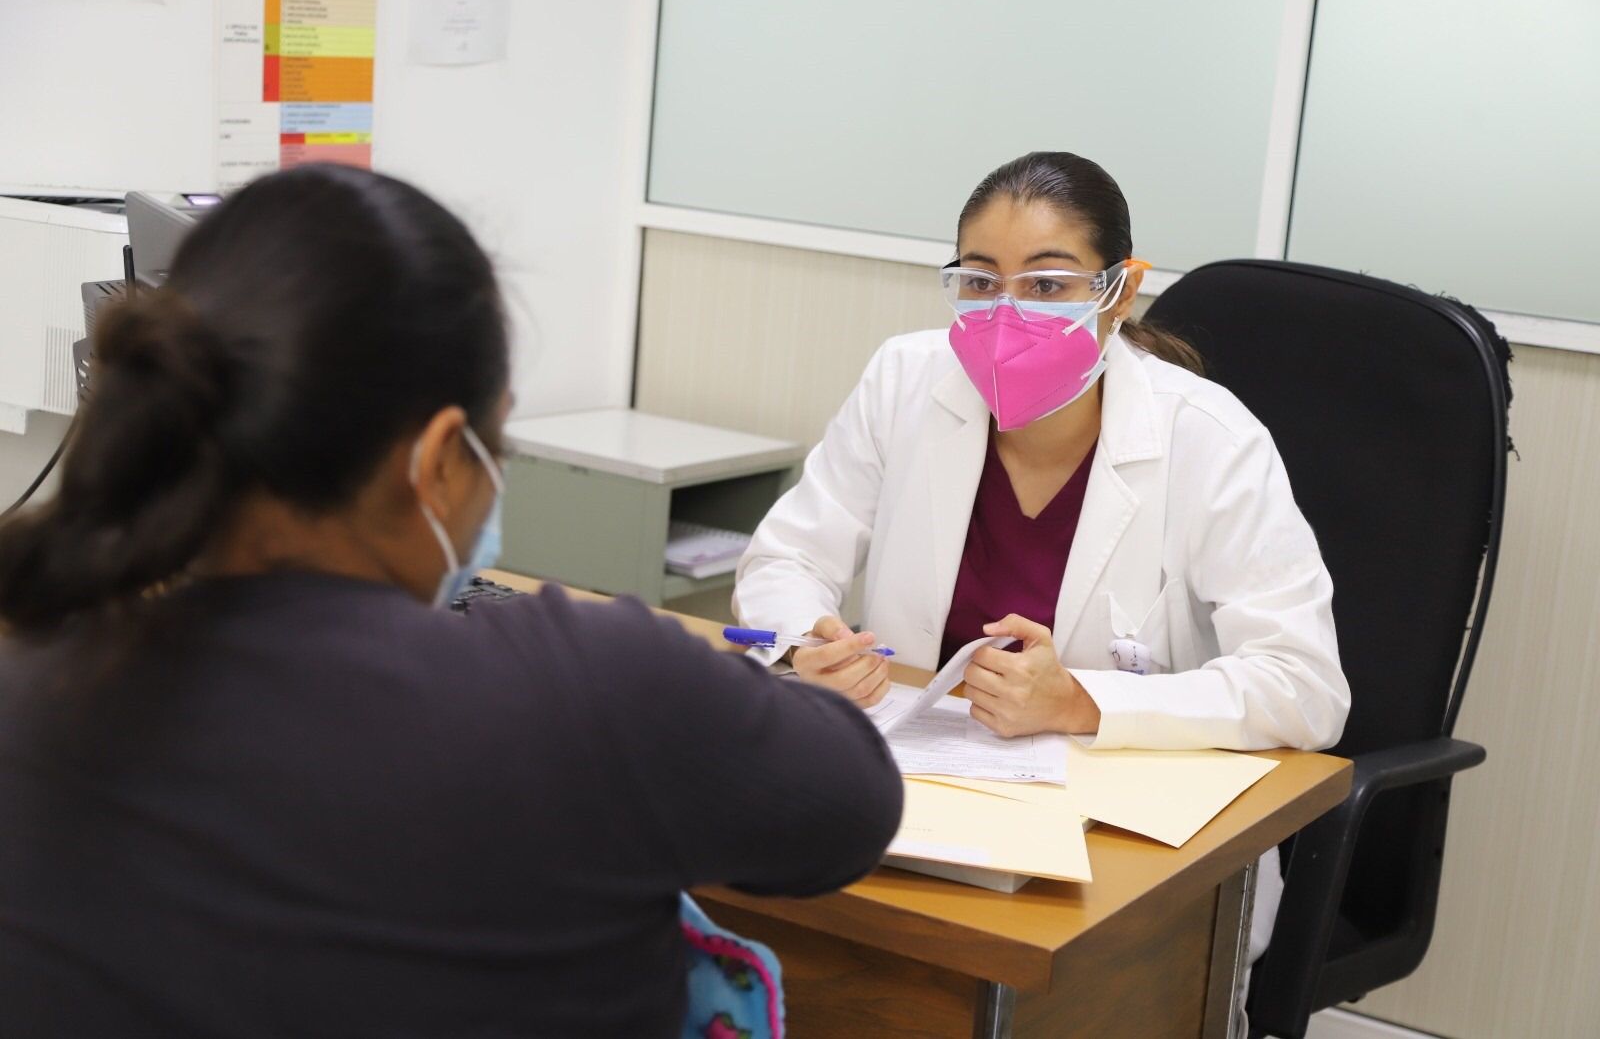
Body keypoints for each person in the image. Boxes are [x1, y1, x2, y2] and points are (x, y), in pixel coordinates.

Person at [0, 165, 902, 1037]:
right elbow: (849, 808)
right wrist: (789, 699)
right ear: (436, 460)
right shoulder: (593, 689)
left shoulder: (36, 666)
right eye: (494, 440)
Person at [733, 151, 1350, 961]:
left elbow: (1304, 689)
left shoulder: (1209, 438)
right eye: (982, 282)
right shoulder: (906, 382)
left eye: (1049, 284)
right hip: (915, 795)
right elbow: (783, 561)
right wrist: (805, 638)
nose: (1008, 310)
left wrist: (1080, 703)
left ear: (1120, 291)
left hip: (1118, 836)